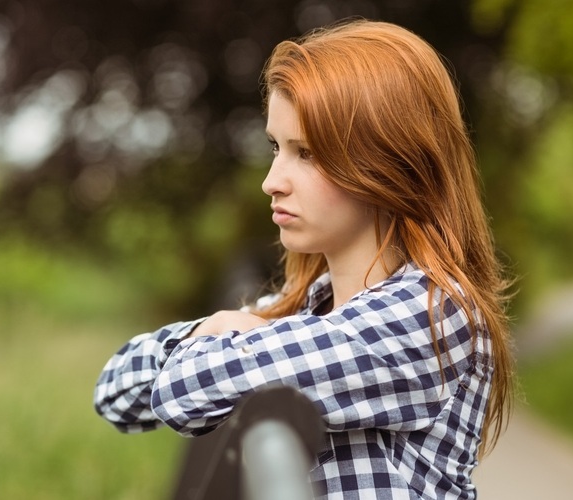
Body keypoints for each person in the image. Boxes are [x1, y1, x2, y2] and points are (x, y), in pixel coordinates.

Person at [94, 19, 513, 499]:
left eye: (307, 153)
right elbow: (115, 394)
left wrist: (236, 335)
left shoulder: (432, 316)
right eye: (276, 147)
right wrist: (205, 330)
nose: (272, 181)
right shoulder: (308, 312)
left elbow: (182, 391)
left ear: (387, 161)